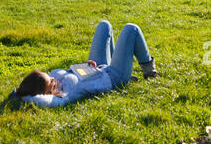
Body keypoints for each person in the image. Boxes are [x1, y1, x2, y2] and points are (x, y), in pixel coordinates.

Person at [10, 21, 158, 108]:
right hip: (113, 77)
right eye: (51, 83)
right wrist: (21, 96)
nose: (53, 79)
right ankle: (149, 71)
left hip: (95, 68)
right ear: (46, 92)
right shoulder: (62, 97)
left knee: (104, 25)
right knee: (131, 29)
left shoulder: (52, 78)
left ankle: (118, 62)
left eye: (49, 76)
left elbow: (69, 74)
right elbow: (39, 100)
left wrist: (84, 65)